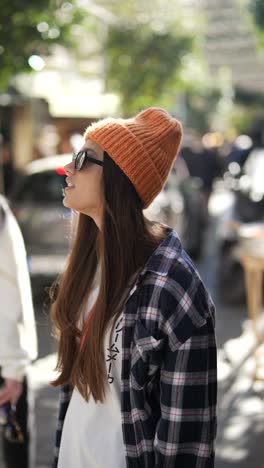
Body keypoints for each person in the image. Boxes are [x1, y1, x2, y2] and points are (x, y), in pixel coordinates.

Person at [51, 108, 217, 468]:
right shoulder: (88, 262)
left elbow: (185, 447)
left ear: (119, 177)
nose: (68, 168)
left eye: (83, 158)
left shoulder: (175, 286)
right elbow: (76, 400)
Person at [0, 195, 38, 468]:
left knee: (14, 448)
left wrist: (13, 367)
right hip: (6, 361)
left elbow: (10, 286)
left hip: (4, 361)